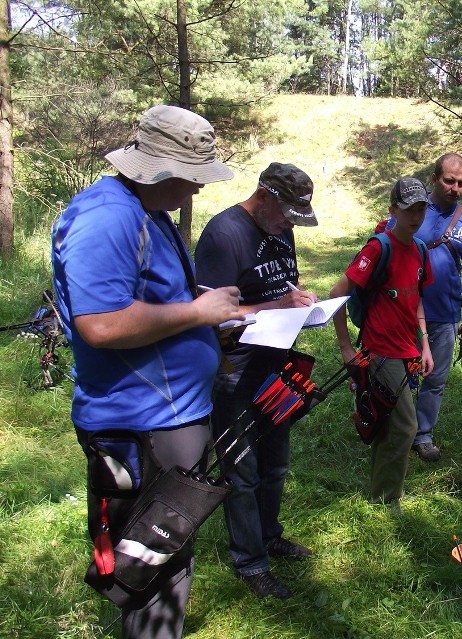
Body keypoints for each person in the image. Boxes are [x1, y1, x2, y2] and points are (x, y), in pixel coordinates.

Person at [51, 104, 242, 638]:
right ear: (158, 169)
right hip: (143, 423)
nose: (198, 190)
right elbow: (102, 325)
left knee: (167, 556)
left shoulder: (147, 214)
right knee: (151, 562)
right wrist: (198, 314)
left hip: (171, 419)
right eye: (192, 177)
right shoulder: (108, 217)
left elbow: (151, 300)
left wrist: (210, 314)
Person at [194, 163, 318, 600]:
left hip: (276, 362)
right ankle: (249, 561)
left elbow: (286, 282)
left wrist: (301, 301)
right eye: (285, 213)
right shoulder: (224, 234)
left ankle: (269, 535)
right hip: (235, 371)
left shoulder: (282, 228)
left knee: (276, 463)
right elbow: (212, 315)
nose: (288, 223)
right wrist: (278, 305)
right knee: (242, 472)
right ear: (263, 195)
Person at [330, 177, 434, 507]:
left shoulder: (419, 249)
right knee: (406, 427)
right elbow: (337, 294)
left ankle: (378, 495)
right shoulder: (379, 248)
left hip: (408, 351)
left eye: (420, 209)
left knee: (387, 425)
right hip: (380, 351)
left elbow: (416, 299)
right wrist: (347, 349)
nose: (415, 217)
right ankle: (389, 499)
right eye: (408, 210)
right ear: (393, 211)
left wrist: (425, 344)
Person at [410, 153, 462, 462]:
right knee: (401, 373)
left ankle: (422, 434)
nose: (455, 188)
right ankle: (394, 426)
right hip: (407, 310)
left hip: (447, 310)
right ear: (434, 178)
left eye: (461, 183)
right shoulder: (412, 210)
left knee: (435, 378)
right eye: (448, 181)